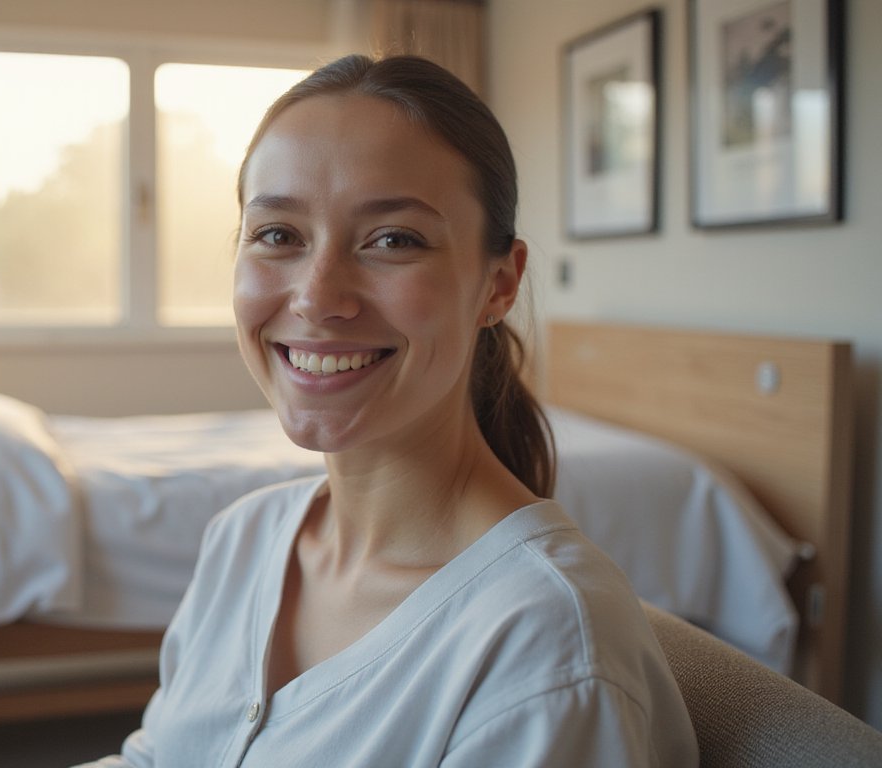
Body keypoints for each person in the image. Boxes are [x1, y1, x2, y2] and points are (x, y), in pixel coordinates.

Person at [80, 54, 696, 767]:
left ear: (498, 285)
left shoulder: (546, 651)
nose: (316, 297)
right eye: (278, 234)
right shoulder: (243, 539)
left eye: (393, 240)